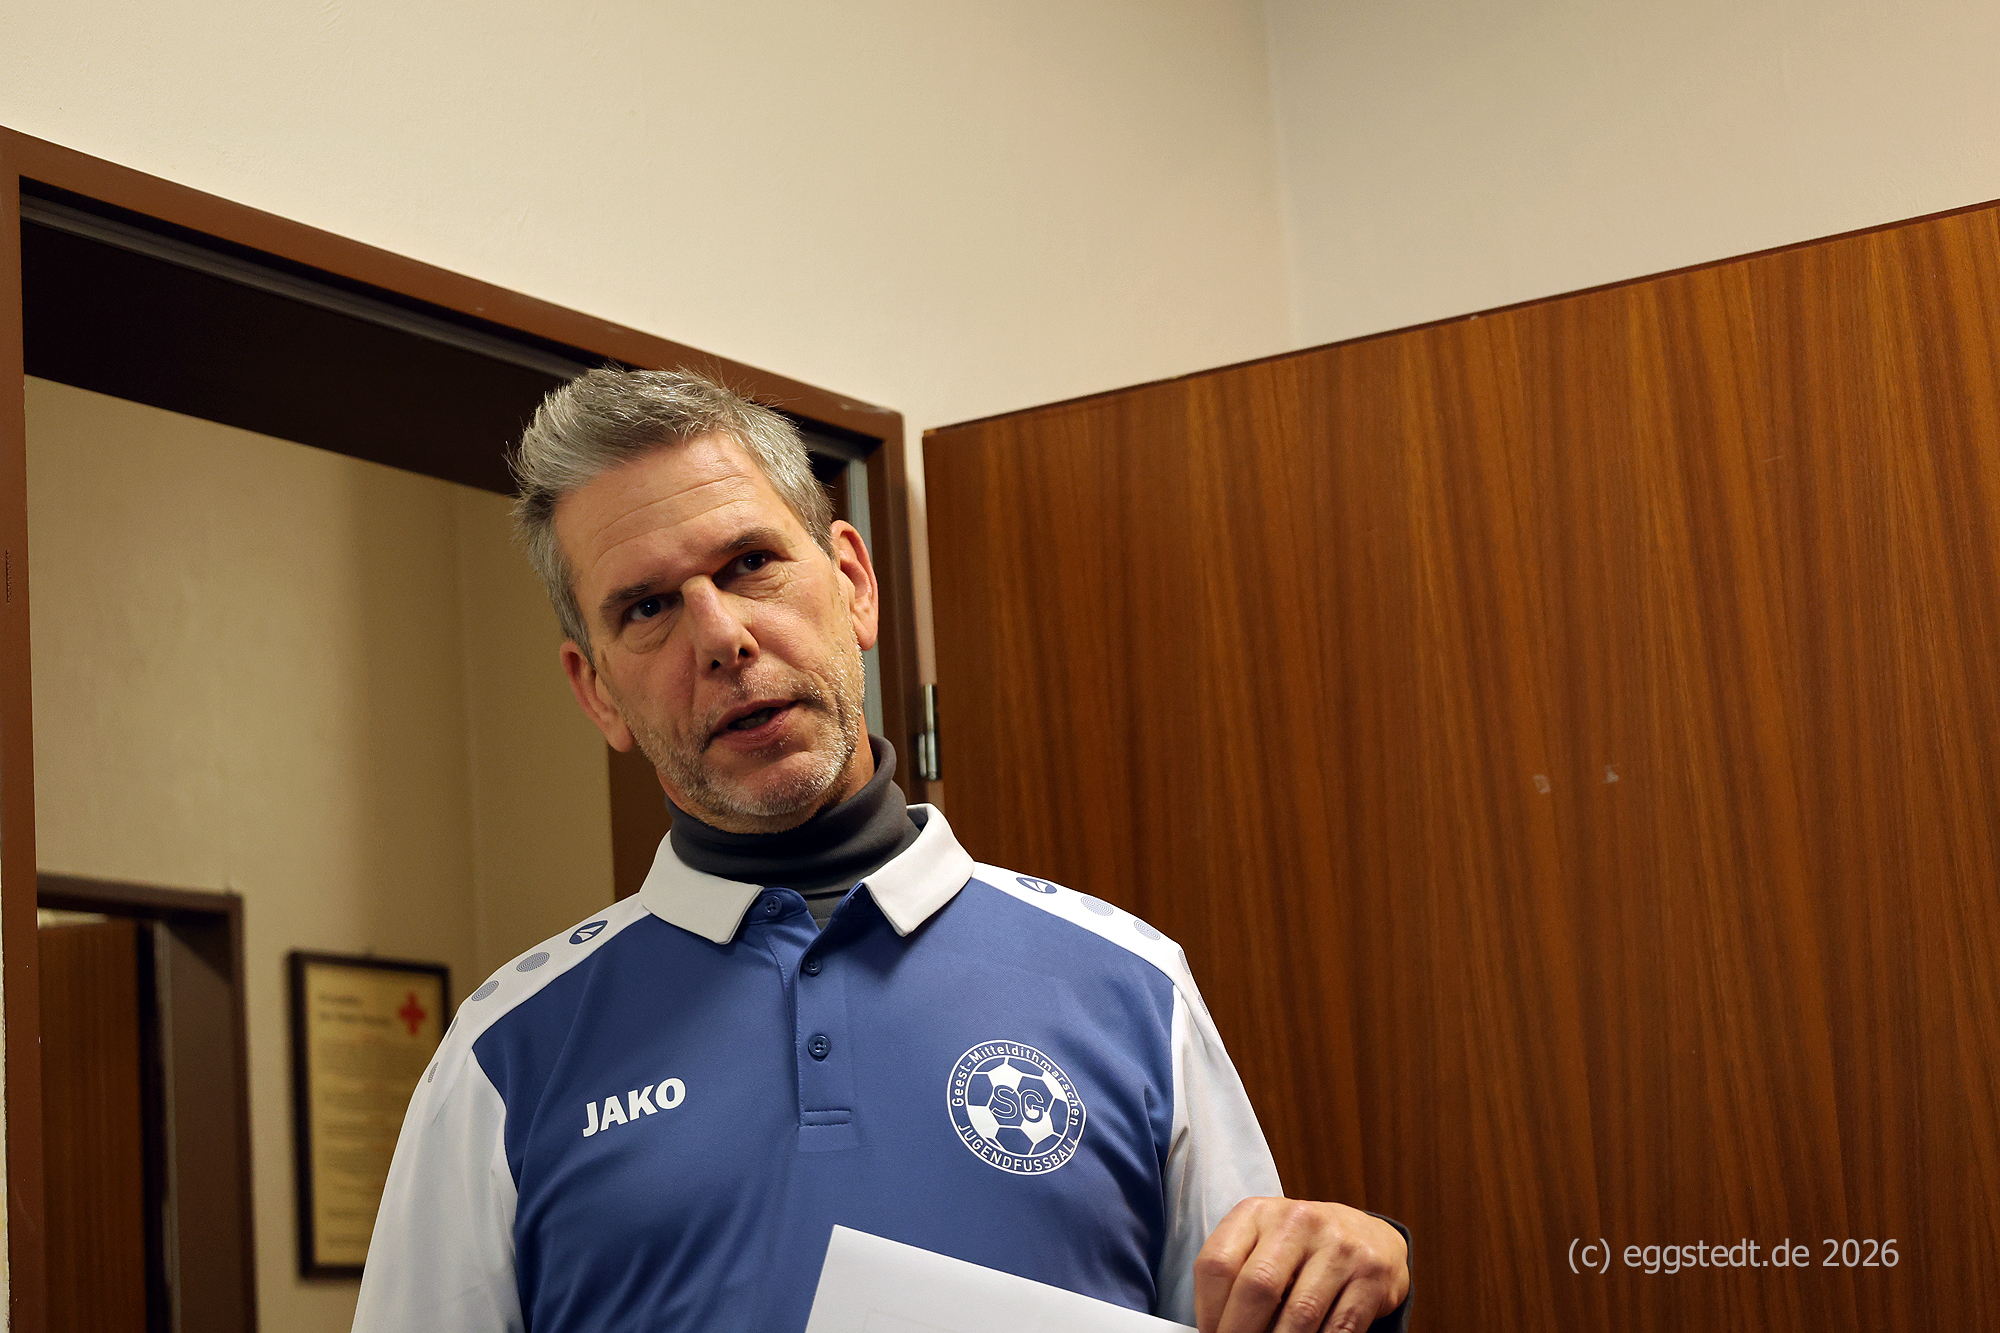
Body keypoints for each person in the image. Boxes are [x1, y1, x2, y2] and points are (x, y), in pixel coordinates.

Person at [352, 369, 1411, 1333]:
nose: (720, 636)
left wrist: (1349, 1279)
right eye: (648, 607)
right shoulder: (502, 1054)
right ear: (596, 691)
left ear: (854, 581)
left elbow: (1271, 1309)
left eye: (750, 562)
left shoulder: (1133, 985)